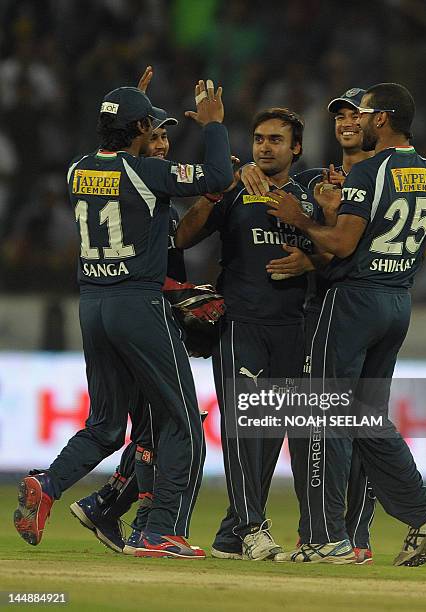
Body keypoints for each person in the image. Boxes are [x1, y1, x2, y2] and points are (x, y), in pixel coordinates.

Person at [13, 79, 234, 560]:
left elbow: (110, 169)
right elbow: (218, 175)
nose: (154, 130)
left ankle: (47, 484)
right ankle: (160, 531)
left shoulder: (76, 171)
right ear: (137, 129)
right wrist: (214, 124)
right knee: (183, 422)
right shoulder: (146, 173)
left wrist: (127, 105)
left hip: (93, 304)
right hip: (137, 303)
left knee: (107, 424)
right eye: (148, 123)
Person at [262, 82, 426, 566]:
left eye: (365, 114)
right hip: (397, 300)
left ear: (382, 119)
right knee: (365, 417)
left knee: (326, 412)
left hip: (353, 300)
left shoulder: (370, 170)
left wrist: (303, 219)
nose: (358, 121)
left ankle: (327, 538)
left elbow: (343, 244)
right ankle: (424, 514)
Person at [175, 108, 318, 561]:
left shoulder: (309, 197)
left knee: (270, 433)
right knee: (243, 430)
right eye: (259, 138)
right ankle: (253, 527)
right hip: (241, 322)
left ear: (296, 148)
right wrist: (215, 192)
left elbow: (338, 251)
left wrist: (311, 260)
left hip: (293, 326)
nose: (265, 146)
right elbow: (183, 237)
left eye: (276, 139)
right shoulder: (235, 188)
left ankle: (230, 537)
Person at [242, 88, 376, 564]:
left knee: (350, 423)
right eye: (339, 115)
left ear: (377, 122)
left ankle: (348, 535)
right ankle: (320, 532)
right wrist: (244, 171)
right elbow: (321, 244)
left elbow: (341, 248)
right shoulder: (317, 180)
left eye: (355, 115)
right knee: (312, 429)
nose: (346, 122)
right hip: (314, 318)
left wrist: (314, 258)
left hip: (355, 312)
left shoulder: (379, 179)